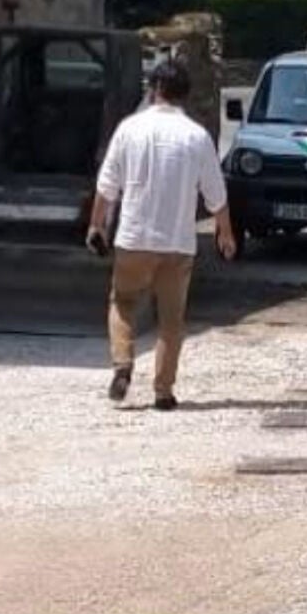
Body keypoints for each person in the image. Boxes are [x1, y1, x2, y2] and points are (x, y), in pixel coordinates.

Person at [88, 58, 236, 410]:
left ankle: (123, 365)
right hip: (177, 243)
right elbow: (216, 194)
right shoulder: (197, 137)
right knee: (172, 320)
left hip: (134, 238)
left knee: (123, 303)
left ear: (154, 89)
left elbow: (107, 186)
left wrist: (96, 225)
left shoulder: (129, 129)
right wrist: (225, 233)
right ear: (185, 94)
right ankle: (164, 392)